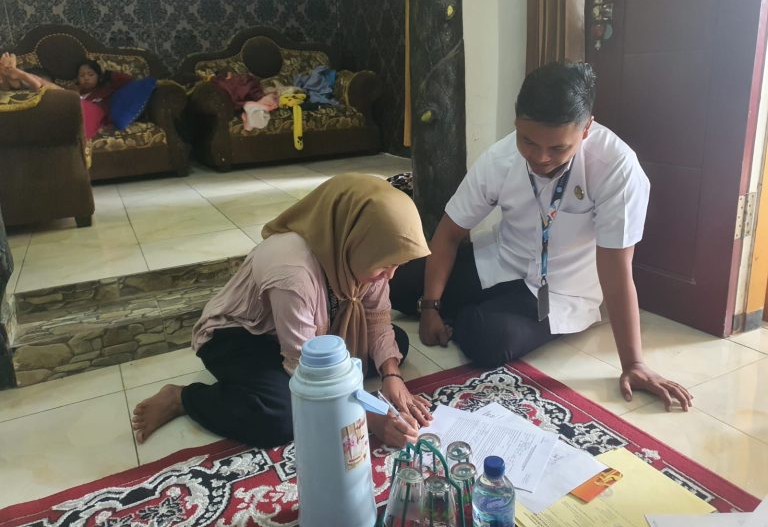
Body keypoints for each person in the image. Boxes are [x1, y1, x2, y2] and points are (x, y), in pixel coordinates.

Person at [390, 61, 694, 412]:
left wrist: (634, 363)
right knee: (401, 282)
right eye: (528, 141)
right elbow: (449, 233)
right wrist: (430, 306)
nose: (540, 158)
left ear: (586, 129)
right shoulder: (501, 158)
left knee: (489, 340)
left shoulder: (616, 169)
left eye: (558, 148)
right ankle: (464, 309)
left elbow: (616, 270)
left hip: (561, 289)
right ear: (517, 123)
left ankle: (474, 313)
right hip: (501, 259)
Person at [132, 173, 434, 449]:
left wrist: (391, 376)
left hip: (311, 329)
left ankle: (268, 383)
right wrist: (367, 418)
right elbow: (306, 369)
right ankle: (183, 398)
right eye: (385, 265)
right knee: (281, 416)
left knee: (396, 343)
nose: (390, 276)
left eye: (397, 265)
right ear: (355, 239)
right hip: (241, 336)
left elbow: (377, 320)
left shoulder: (361, 255)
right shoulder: (292, 271)